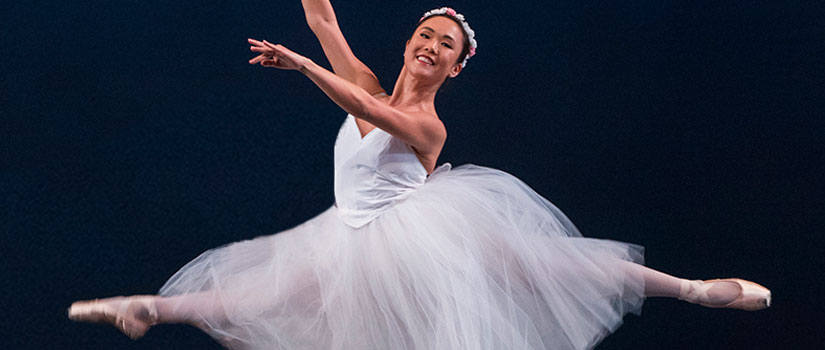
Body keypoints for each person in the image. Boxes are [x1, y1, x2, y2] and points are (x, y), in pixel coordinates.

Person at [68, 3, 771, 349]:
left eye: (447, 45)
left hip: (432, 232)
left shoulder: (428, 125)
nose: (432, 46)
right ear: (410, 40)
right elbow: (320, 16)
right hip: (350, 237)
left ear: (456, 66)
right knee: (252, 293)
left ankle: (694, 290)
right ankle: (146, 309)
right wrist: (314, 51)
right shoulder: (372, 79)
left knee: (561, 266)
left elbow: (360, 103)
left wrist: (305, 69)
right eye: (427, 34)